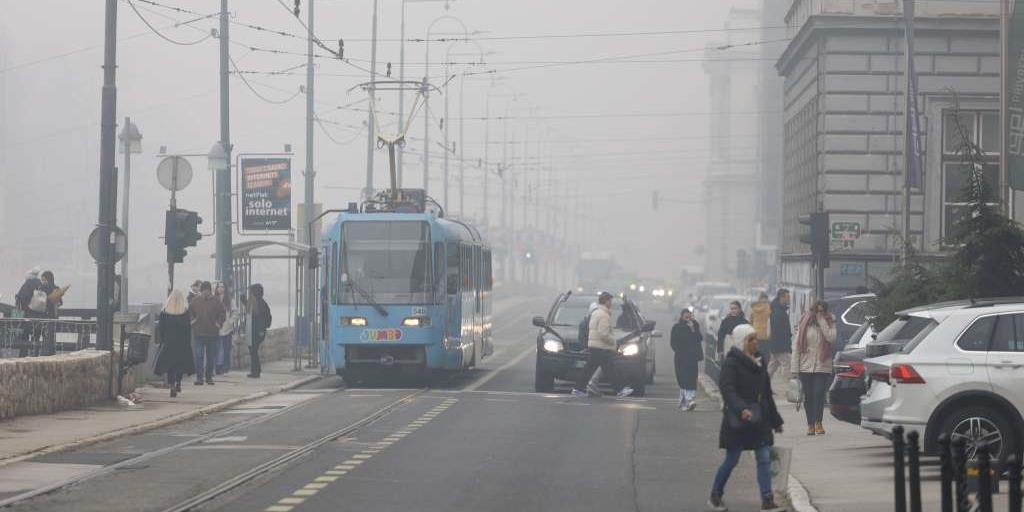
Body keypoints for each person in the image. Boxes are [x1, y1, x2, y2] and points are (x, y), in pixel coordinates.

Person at [708, 331, 785, 512]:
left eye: (756, 339)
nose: (756, 342)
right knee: (732, 460)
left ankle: (767, 500)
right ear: (742, 342)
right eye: (751, 339)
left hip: (760, 420)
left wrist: (776, 420)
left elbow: (766, 393)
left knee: (764, 458)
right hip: (739, 420)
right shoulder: (731, 363)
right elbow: (727, 389)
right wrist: (741, 408)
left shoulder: (759, 361)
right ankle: (715, 495)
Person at [571, 291, 633, 398]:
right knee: (610, 370)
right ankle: (620, 389)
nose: (611, 303)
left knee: (591, 369)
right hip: (601, 347)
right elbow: (603, 334)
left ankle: (578, 389)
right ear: (606, 301)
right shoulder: (604, 315)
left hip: (594, 346)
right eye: (610, 301)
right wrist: (613, 342)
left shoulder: (596, 313)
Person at [791, 300, 836, 436]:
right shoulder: (804, 322)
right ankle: (810, 424)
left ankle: (819, 423)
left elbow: (831, 338)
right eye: (817, 311)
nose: (819, 313)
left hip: (822, 365)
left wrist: (822, 321)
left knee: (818, 394)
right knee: (809, 396)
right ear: (813, 310)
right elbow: (796, 347)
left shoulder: (830, 321)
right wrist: (794, 369)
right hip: (805, 366)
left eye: (822, 311)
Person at [154, 290, 196, 397]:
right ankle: (178, 382)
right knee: (180, 365)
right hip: (182, 344)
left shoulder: (164, 313)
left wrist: (163, 341)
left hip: (169, 343)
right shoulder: (185, 312)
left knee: (170, 366)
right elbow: (188, 329)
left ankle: (172, 385)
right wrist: (187, 343)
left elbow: (161, 329)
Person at [188, 281, 226, 385]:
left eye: (207, 291)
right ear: (201, 291)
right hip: (199, 333)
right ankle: (199, 378)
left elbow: (222, 313)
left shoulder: (216, 301)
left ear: (210, 291)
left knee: (210, 357)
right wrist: (192, 321)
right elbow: (189, 312)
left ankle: (209, 377)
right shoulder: (195, 301)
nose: (205, 293)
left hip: (212, 334)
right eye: (203, 291)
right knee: (199, 356)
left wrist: (219, 323)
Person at [670, 308, 703, 410]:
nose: (688, 318)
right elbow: (673, 343)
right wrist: (680, 350)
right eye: (686, 316)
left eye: (689, 316)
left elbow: (699, 338)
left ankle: (690, 400)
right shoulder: (676, 327)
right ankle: (684, 401)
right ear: (682, 316)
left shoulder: (695, 325)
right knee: (682, 378)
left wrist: (693, 329)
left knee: (691, 378)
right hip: (681, 357)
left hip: (692, 357)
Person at [767, 289, 793, 381]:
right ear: (781, 297)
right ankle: (788, 387)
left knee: (772, 367)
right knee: (788, 364)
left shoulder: (777, 309)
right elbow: (778, 330)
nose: (789, 299)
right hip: (780, 345)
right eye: (787, 297)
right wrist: (785, 345)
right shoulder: (778, 312)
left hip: (776, 345)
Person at [247, 283, 272, 378]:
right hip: (257, 331)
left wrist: (261, 330)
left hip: (256, 331)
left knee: (253, 351)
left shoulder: (259, 303)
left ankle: (255, 371)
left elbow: (260, 318)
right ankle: (256, 370)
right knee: (253, 351)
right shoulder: (260, 302)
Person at [215, 282, 235, 375]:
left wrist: (230, 321)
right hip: (216, 328)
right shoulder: (214, 299)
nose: (220, 289)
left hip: (227, 328)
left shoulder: (230, 300)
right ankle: (217, 367)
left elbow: (235, 312)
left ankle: (225, 367)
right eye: (219, 287)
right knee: (217, 349)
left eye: (222, 287)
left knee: (226, 348)